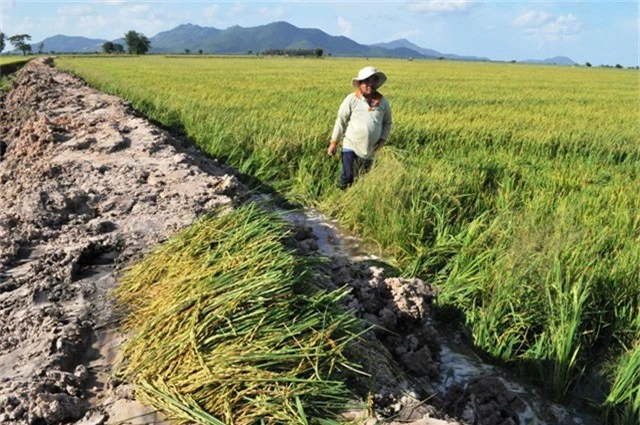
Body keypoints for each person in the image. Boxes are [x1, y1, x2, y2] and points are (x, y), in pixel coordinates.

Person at [327, 66, 392, 189]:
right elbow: (341, 120)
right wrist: (334, 142)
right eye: (367, 81)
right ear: (360, 84)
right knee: (348, 176)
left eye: (374, 81)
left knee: (362, 179)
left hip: (371, 149)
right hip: (351, 145)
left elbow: (387, 123)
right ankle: (340, 197)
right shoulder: (352, 99)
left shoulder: (383, 102)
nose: (370, 84)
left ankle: (352, 201)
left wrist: (383, 139)